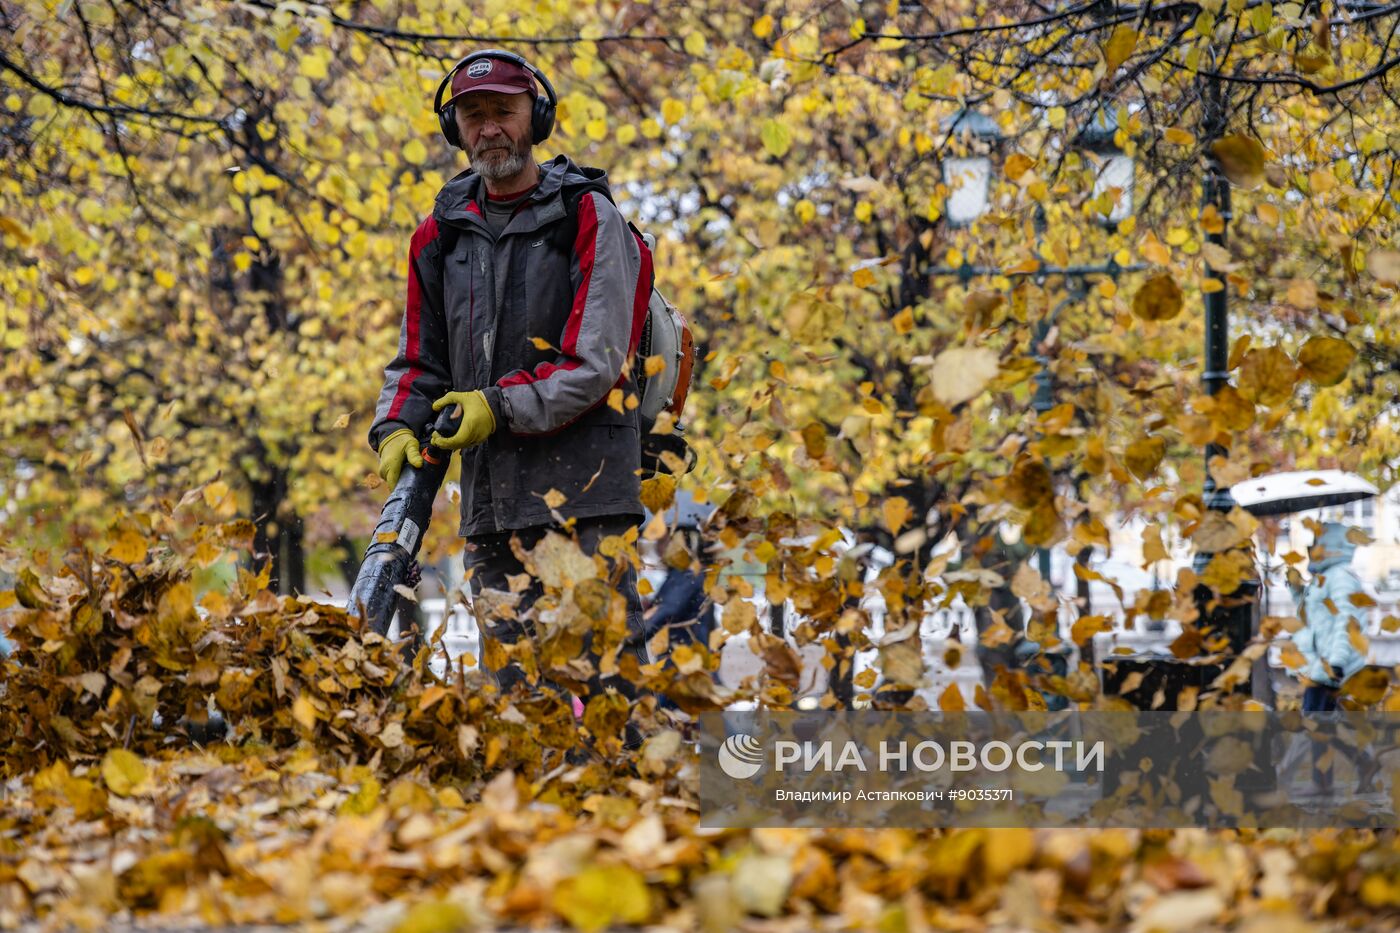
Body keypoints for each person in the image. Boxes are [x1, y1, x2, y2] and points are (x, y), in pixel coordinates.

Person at [368, 49, 652, 716]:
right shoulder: (438, 234)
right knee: (519, 704)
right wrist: (396, 426)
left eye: (504, 111)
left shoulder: (588, 216)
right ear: (456, 128)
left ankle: (641, 816)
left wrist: (494, 406)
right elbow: (418, 358)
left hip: (585, 498)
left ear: (537, 117)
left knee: (607, 693)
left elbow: (595, 361)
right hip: (492, 502)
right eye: (474, 115)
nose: (490, 127)